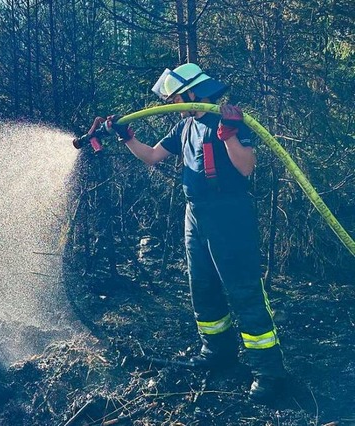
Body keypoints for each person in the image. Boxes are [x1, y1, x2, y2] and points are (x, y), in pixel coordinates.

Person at [103, 63, 287, 404]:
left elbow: (246, 167)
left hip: (228, 214)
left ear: (193, 92)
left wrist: (230, 137)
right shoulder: (184, 126)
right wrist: (127, 138)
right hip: (196, 214)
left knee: (243, 289)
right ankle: (217, 351)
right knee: (202, 287)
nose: (172, 101)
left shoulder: (226, 119)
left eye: (175, 96)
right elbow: (153, 156)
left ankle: (268, 372)